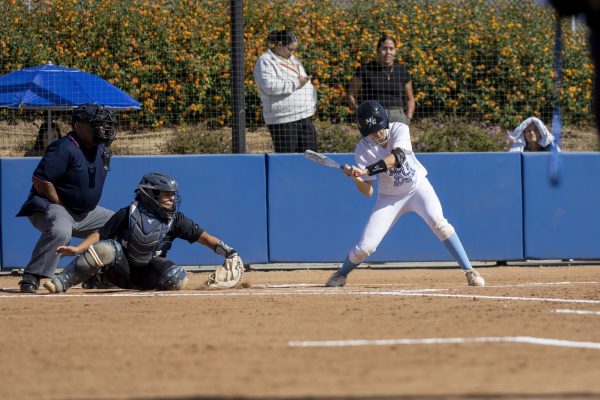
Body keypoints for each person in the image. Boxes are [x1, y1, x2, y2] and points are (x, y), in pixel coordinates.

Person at [325, 100, 485, 288]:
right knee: (366, 247)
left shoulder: (399, 128)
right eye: (371, 131)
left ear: (385, 122)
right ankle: (341, 274)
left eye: (379, 128)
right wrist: (355, 177)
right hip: (390, 198)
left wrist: (366, 171)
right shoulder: (362, 148)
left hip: (417, 187)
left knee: (440, 223)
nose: (376, 134)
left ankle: (470, 271)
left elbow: (398, 158)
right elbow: (368, 192)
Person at [43, 172, 242, 293]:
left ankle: (138, 292)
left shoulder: (176, 219)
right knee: (105, 249)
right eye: (166, 195)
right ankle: (63, 282)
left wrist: (229, 252)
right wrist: (78, 248)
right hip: (119, 267)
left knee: (176, 277)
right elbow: (100, 234)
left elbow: (205, 238)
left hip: (147, 270)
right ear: (150, 194)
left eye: (172, 196)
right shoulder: (128, 213)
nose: (171, 200)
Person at [16, 104, 118, 293]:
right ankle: (32, 275)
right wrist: (60, 204)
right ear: (78, 125)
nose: (103, 129)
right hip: (50, 206)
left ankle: (101, 275)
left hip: (85, 213)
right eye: (96, 125)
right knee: (62, 230)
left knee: (120, 224)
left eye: (104, 125)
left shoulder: (101, 150)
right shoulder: (64, 148)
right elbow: (40, 180)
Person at [254, 29, 318, 153]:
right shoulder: (265, 61)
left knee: (311, 157)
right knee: (287, 160)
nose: (292, 53)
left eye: (294, 49)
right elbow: (269, 86)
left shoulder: (292, 59)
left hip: (304, 115)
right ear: (279, 45)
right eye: (289, 49)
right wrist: (297, 83)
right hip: (283, 119)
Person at [346, 35, 415, 125]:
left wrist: (408, 118)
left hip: (399, 119)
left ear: (395, 51)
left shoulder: (402, 71)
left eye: (391, 49)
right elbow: (351, 95)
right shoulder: (365, 70)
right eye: (384, 49)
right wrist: (361, 114)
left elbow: (410, 99)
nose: (388, 52)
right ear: (378, 50)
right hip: (373, 116)